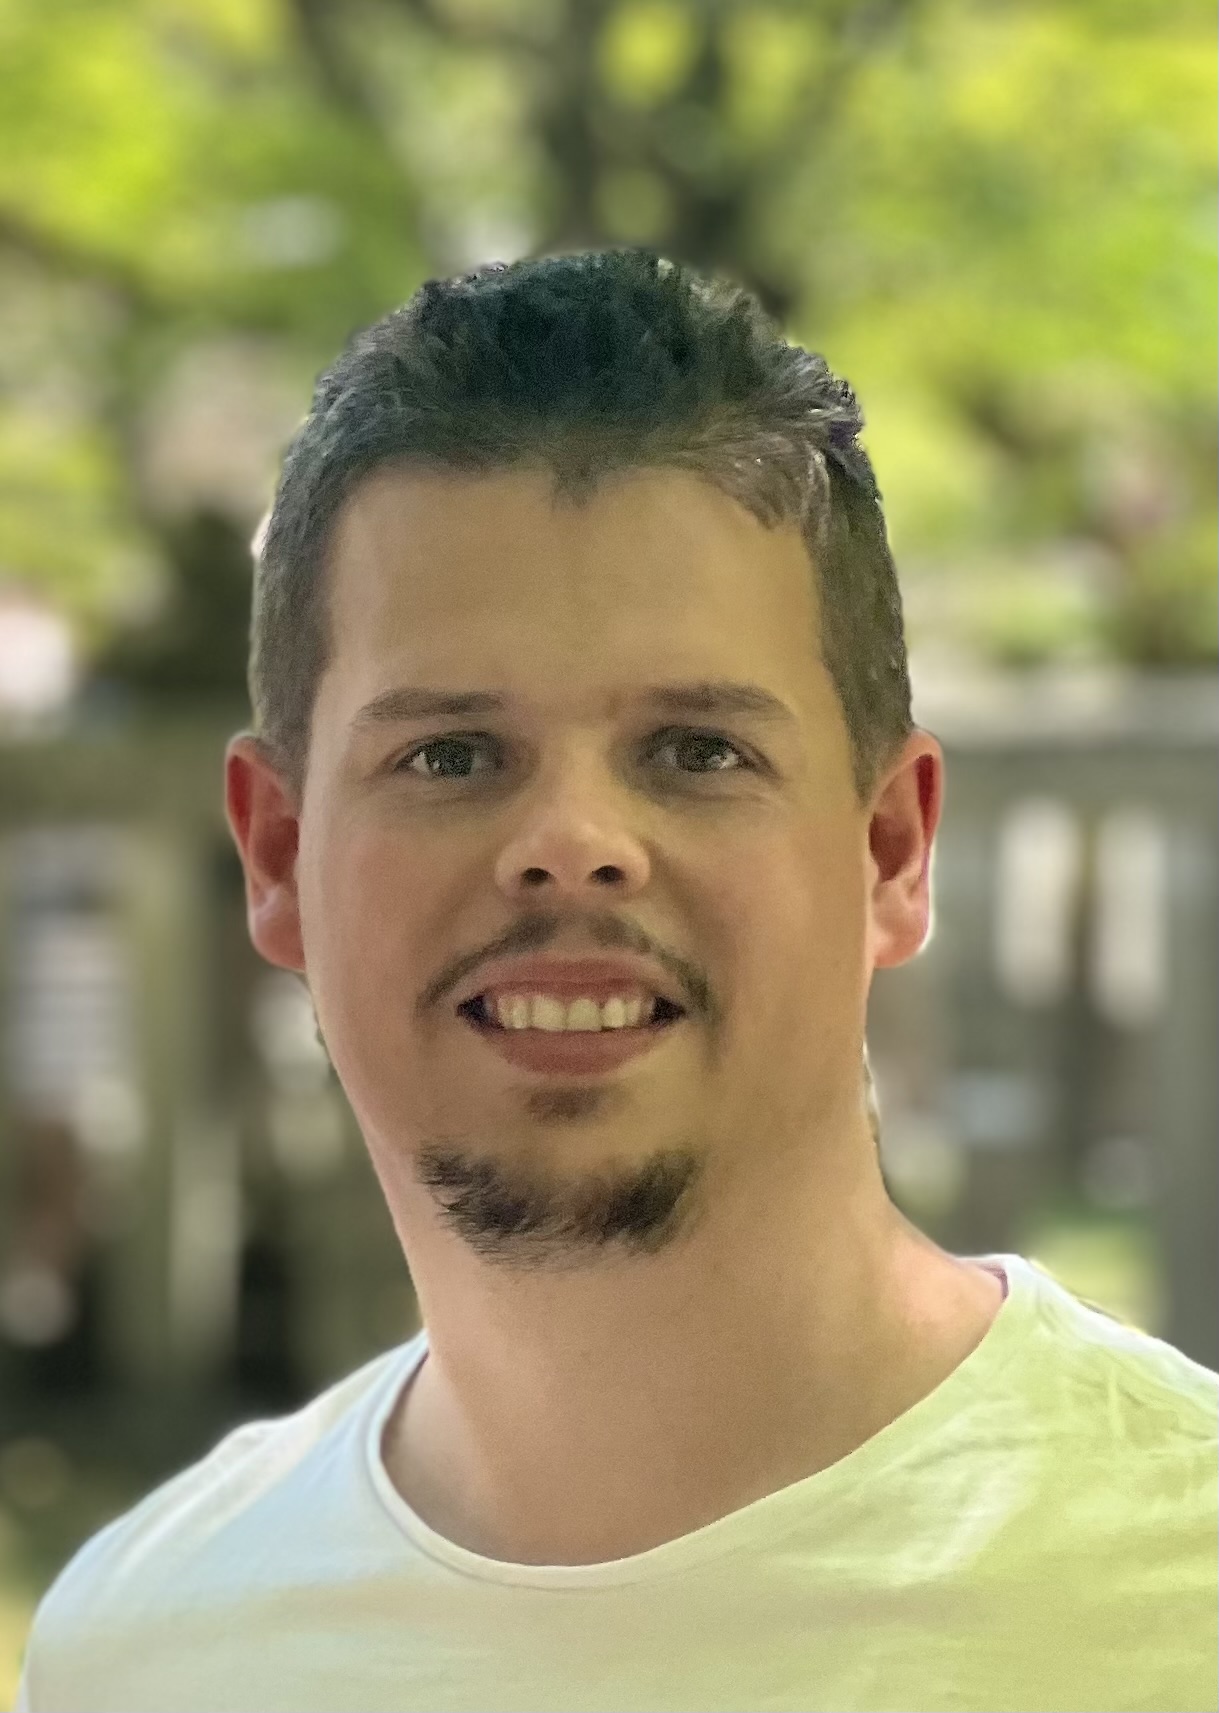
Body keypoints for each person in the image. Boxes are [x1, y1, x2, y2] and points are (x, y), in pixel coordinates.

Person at [15, 250, 1217, 1713]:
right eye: (450, 754)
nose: (572, 843)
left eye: (698, 750)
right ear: (275, 853)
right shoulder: (141, 1651)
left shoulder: (1183, 1597)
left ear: (892, 851)